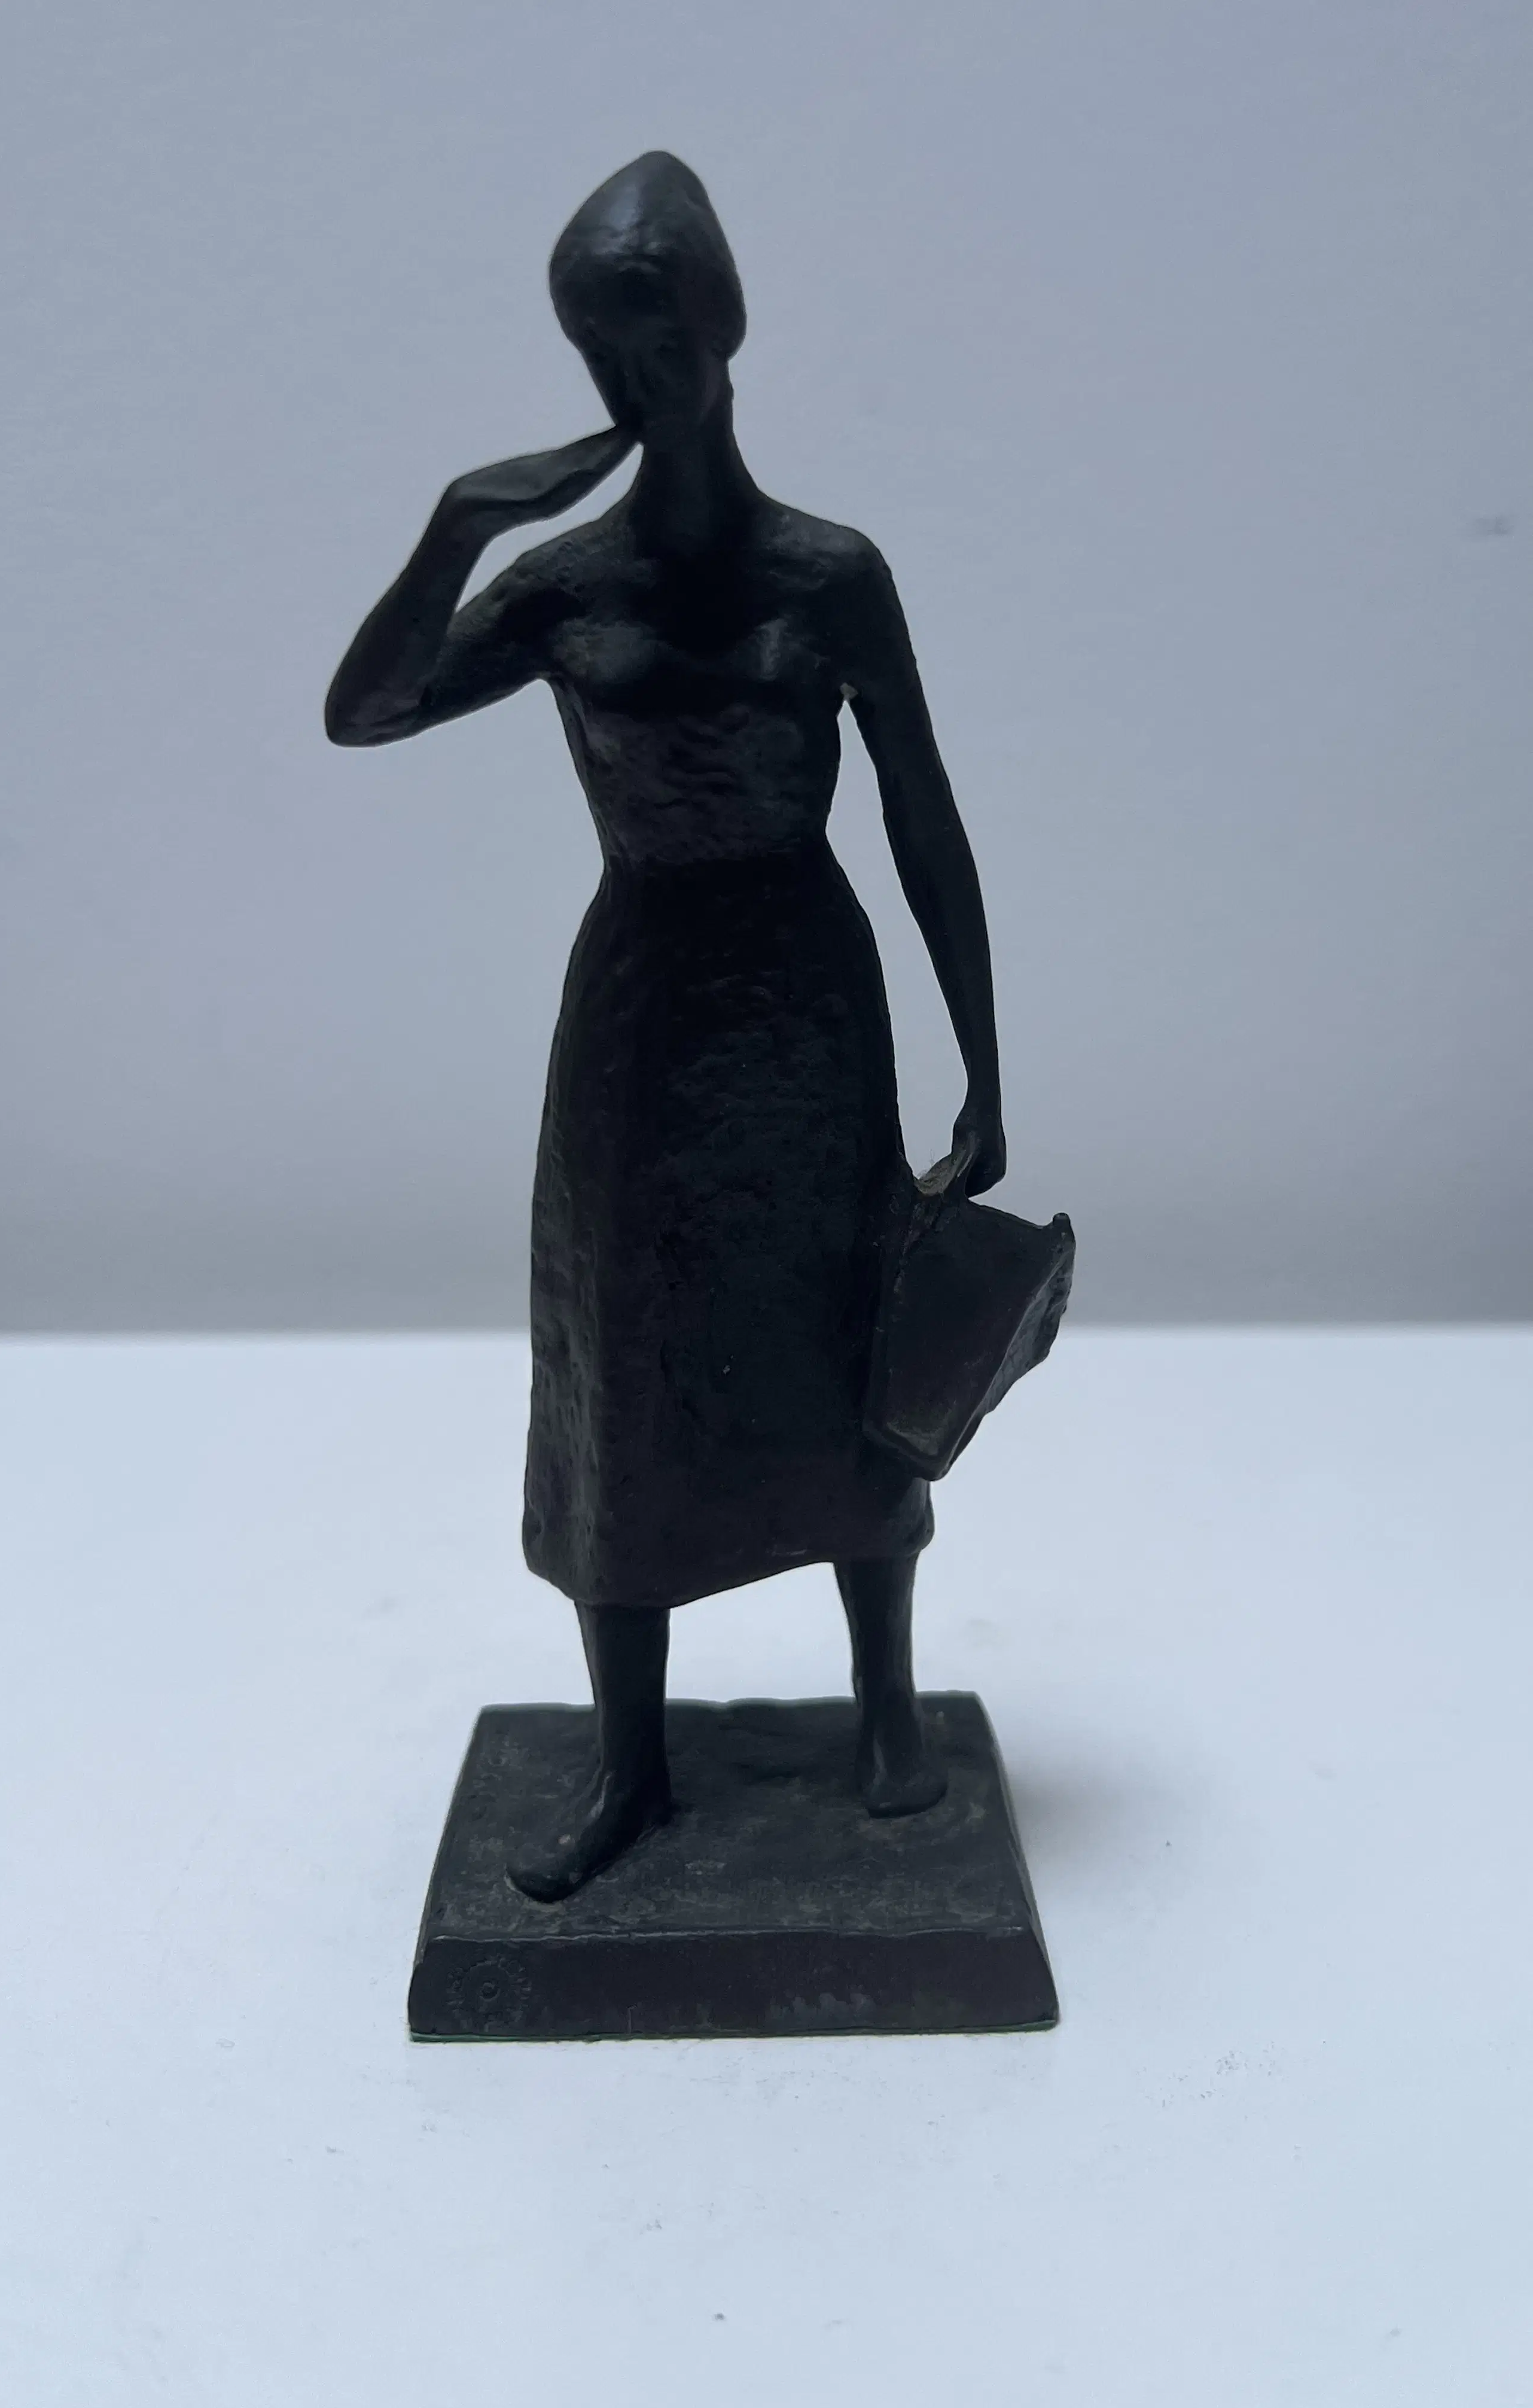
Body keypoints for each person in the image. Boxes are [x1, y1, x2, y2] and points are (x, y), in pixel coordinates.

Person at [326, 153, 1006, 1899]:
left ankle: (887, 1706)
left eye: (663, 346)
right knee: (620, 1351)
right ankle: (629, 1762)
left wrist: (986, 1066)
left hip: (806, 990)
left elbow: (924, 815)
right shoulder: (564, 585)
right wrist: (460, 525)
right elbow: (368, 712)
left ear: (726, 332)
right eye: (605, 359)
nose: (638, 386)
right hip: (643, 1000)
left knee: (842, 1329)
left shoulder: (830, 573)